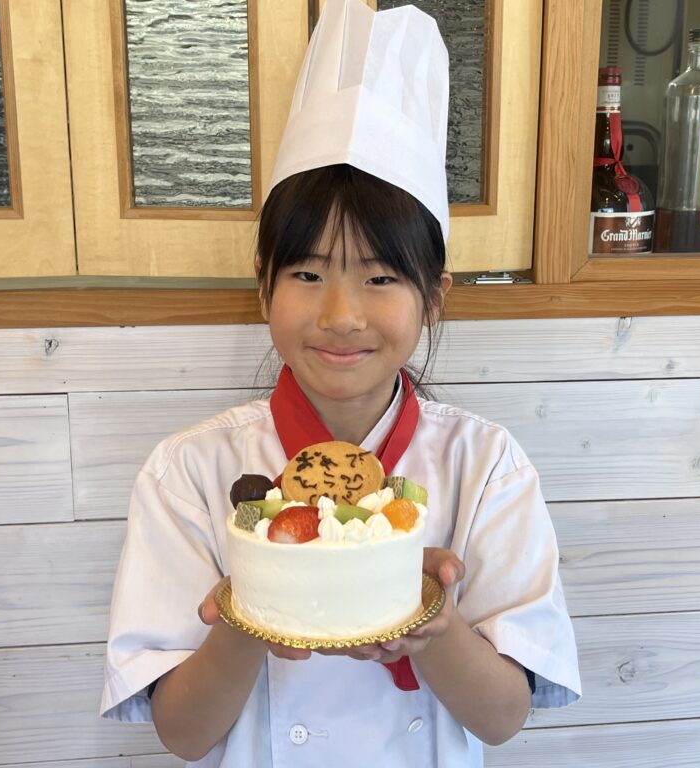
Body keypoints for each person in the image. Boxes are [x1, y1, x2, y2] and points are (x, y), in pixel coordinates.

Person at [100, 2, 580, 766]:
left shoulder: (486, 466)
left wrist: (434, 625)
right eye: (308, 273)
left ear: (434, 296)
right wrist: (249, 604)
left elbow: (502, 718)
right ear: (264, 285)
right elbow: (183, 734)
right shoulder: (188, 472)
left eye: (381, 277)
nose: (341, 314)